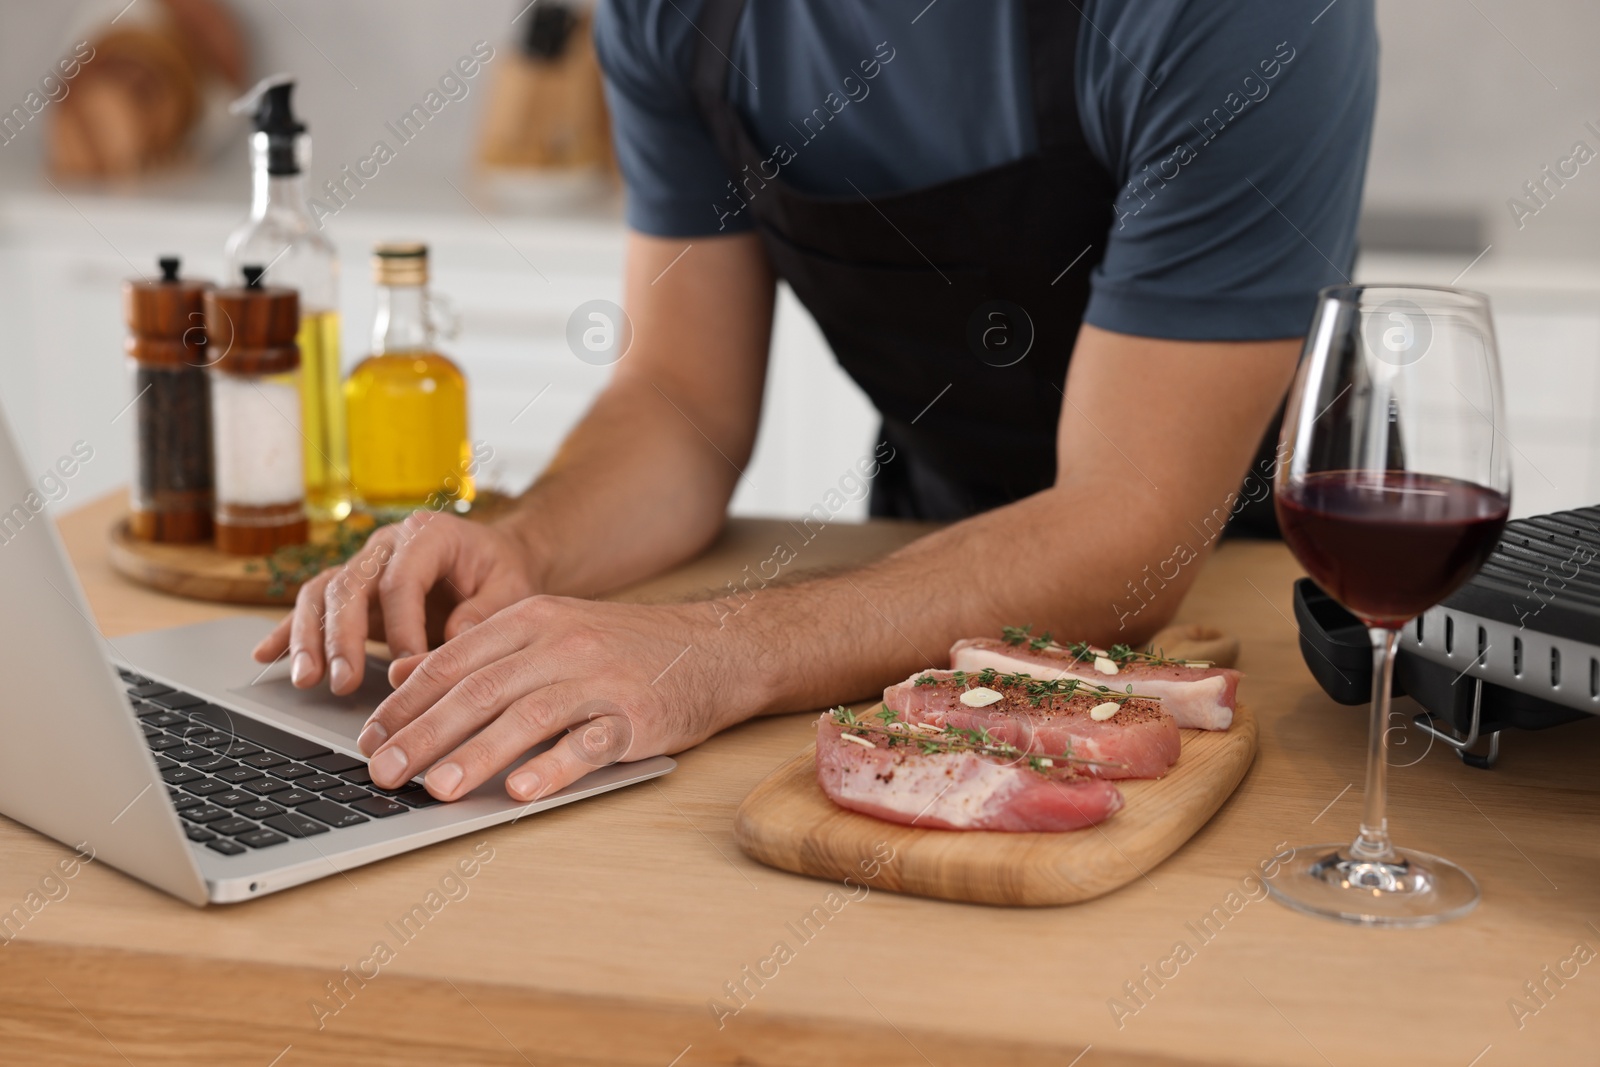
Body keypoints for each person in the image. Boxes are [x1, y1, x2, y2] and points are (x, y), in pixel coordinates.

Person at [253, 0, 1377, 804]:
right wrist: (526, 543)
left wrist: (710, 654)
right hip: (921, 566)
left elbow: (1129, 522)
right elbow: (680, 403)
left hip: (1265, 613)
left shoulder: (1241, 17)